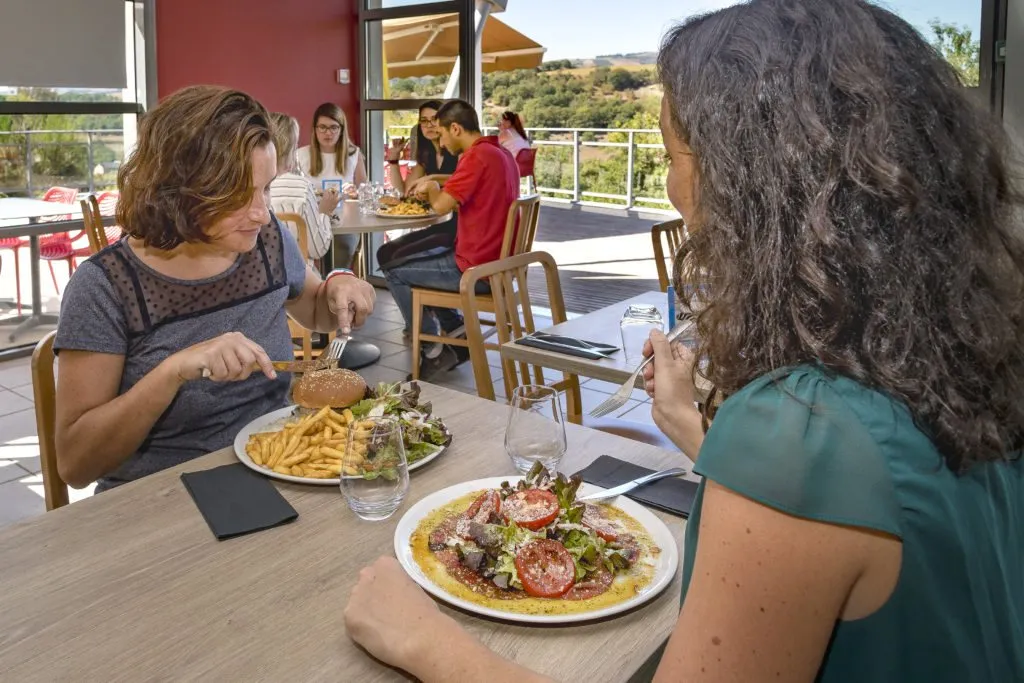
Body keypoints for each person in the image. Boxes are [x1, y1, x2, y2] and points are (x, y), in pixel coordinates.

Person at [344, 1, 1024, 681]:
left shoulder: (800, 431)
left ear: (754, 182)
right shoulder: (961, 361)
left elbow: (813, 481)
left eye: (673, 156)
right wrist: (698, 433)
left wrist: (425, 642)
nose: (671, 191)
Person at [53, 86, 377, 493]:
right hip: (160, 495)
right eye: (240, 196)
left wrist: (339, 283)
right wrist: (173, 371)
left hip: (275, 470)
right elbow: (76, 462)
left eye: (266, 189)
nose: (262, 213)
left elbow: (314, 306)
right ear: (179, 190)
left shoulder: (268, 239)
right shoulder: (107, 286)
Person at [381, 99, 519, 379]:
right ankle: (457, 331)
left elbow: (442, 206)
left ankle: (434, 350)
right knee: (409, 260)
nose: (441, 142)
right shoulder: (499, 153)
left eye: (442, 133)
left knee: (394, 270)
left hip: (475, 269)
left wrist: (432, 187)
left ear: (455, 128)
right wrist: (435, 179)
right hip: (498, 264)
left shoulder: (474, 157)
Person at [376, 101, 461, 287]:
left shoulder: (456, 152)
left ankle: (434, 310)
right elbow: (405, 191)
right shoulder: (427, 154)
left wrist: (432, 181)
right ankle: (426, 308)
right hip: (438, 224)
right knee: (384, 253)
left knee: (397, 256)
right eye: (424, 121)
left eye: (434, 120)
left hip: (456, 228)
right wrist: (393, 160)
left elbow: (460, 180)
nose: (429, 125)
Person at [296, 102, 365, 267]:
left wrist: (354, 193)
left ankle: (333, 285)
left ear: (342, 130)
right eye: (323, 127)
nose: (328, 133)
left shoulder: (353, 154)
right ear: (314, 129)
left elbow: (364, 190)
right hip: (311, 218)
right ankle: (317, 286)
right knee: (303, 248)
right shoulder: (300, 155)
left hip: (344, 219)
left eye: (334, 127)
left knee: (344, 246)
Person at [268, 112, 338, 262]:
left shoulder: (247, 186)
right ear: (289, 149)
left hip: (262, 277)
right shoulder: (301, 188)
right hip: (301, 279)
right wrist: (325, 212)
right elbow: (318, 249)